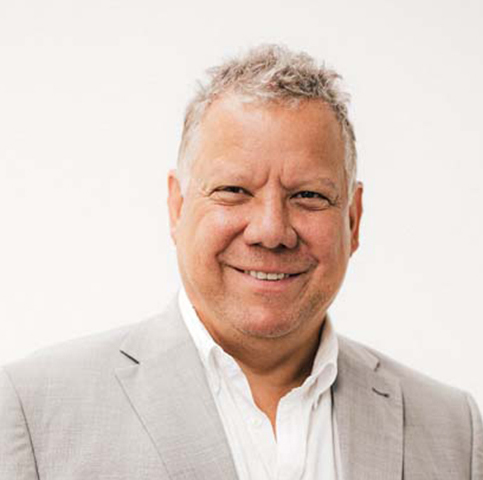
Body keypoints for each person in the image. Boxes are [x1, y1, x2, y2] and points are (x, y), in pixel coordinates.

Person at [1, 44, 481, 480]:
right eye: (234, 190)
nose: (271, 231)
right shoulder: (34, 413)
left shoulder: (455, 431)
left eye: (308, 195)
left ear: (352, 220)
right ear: (177, 207)